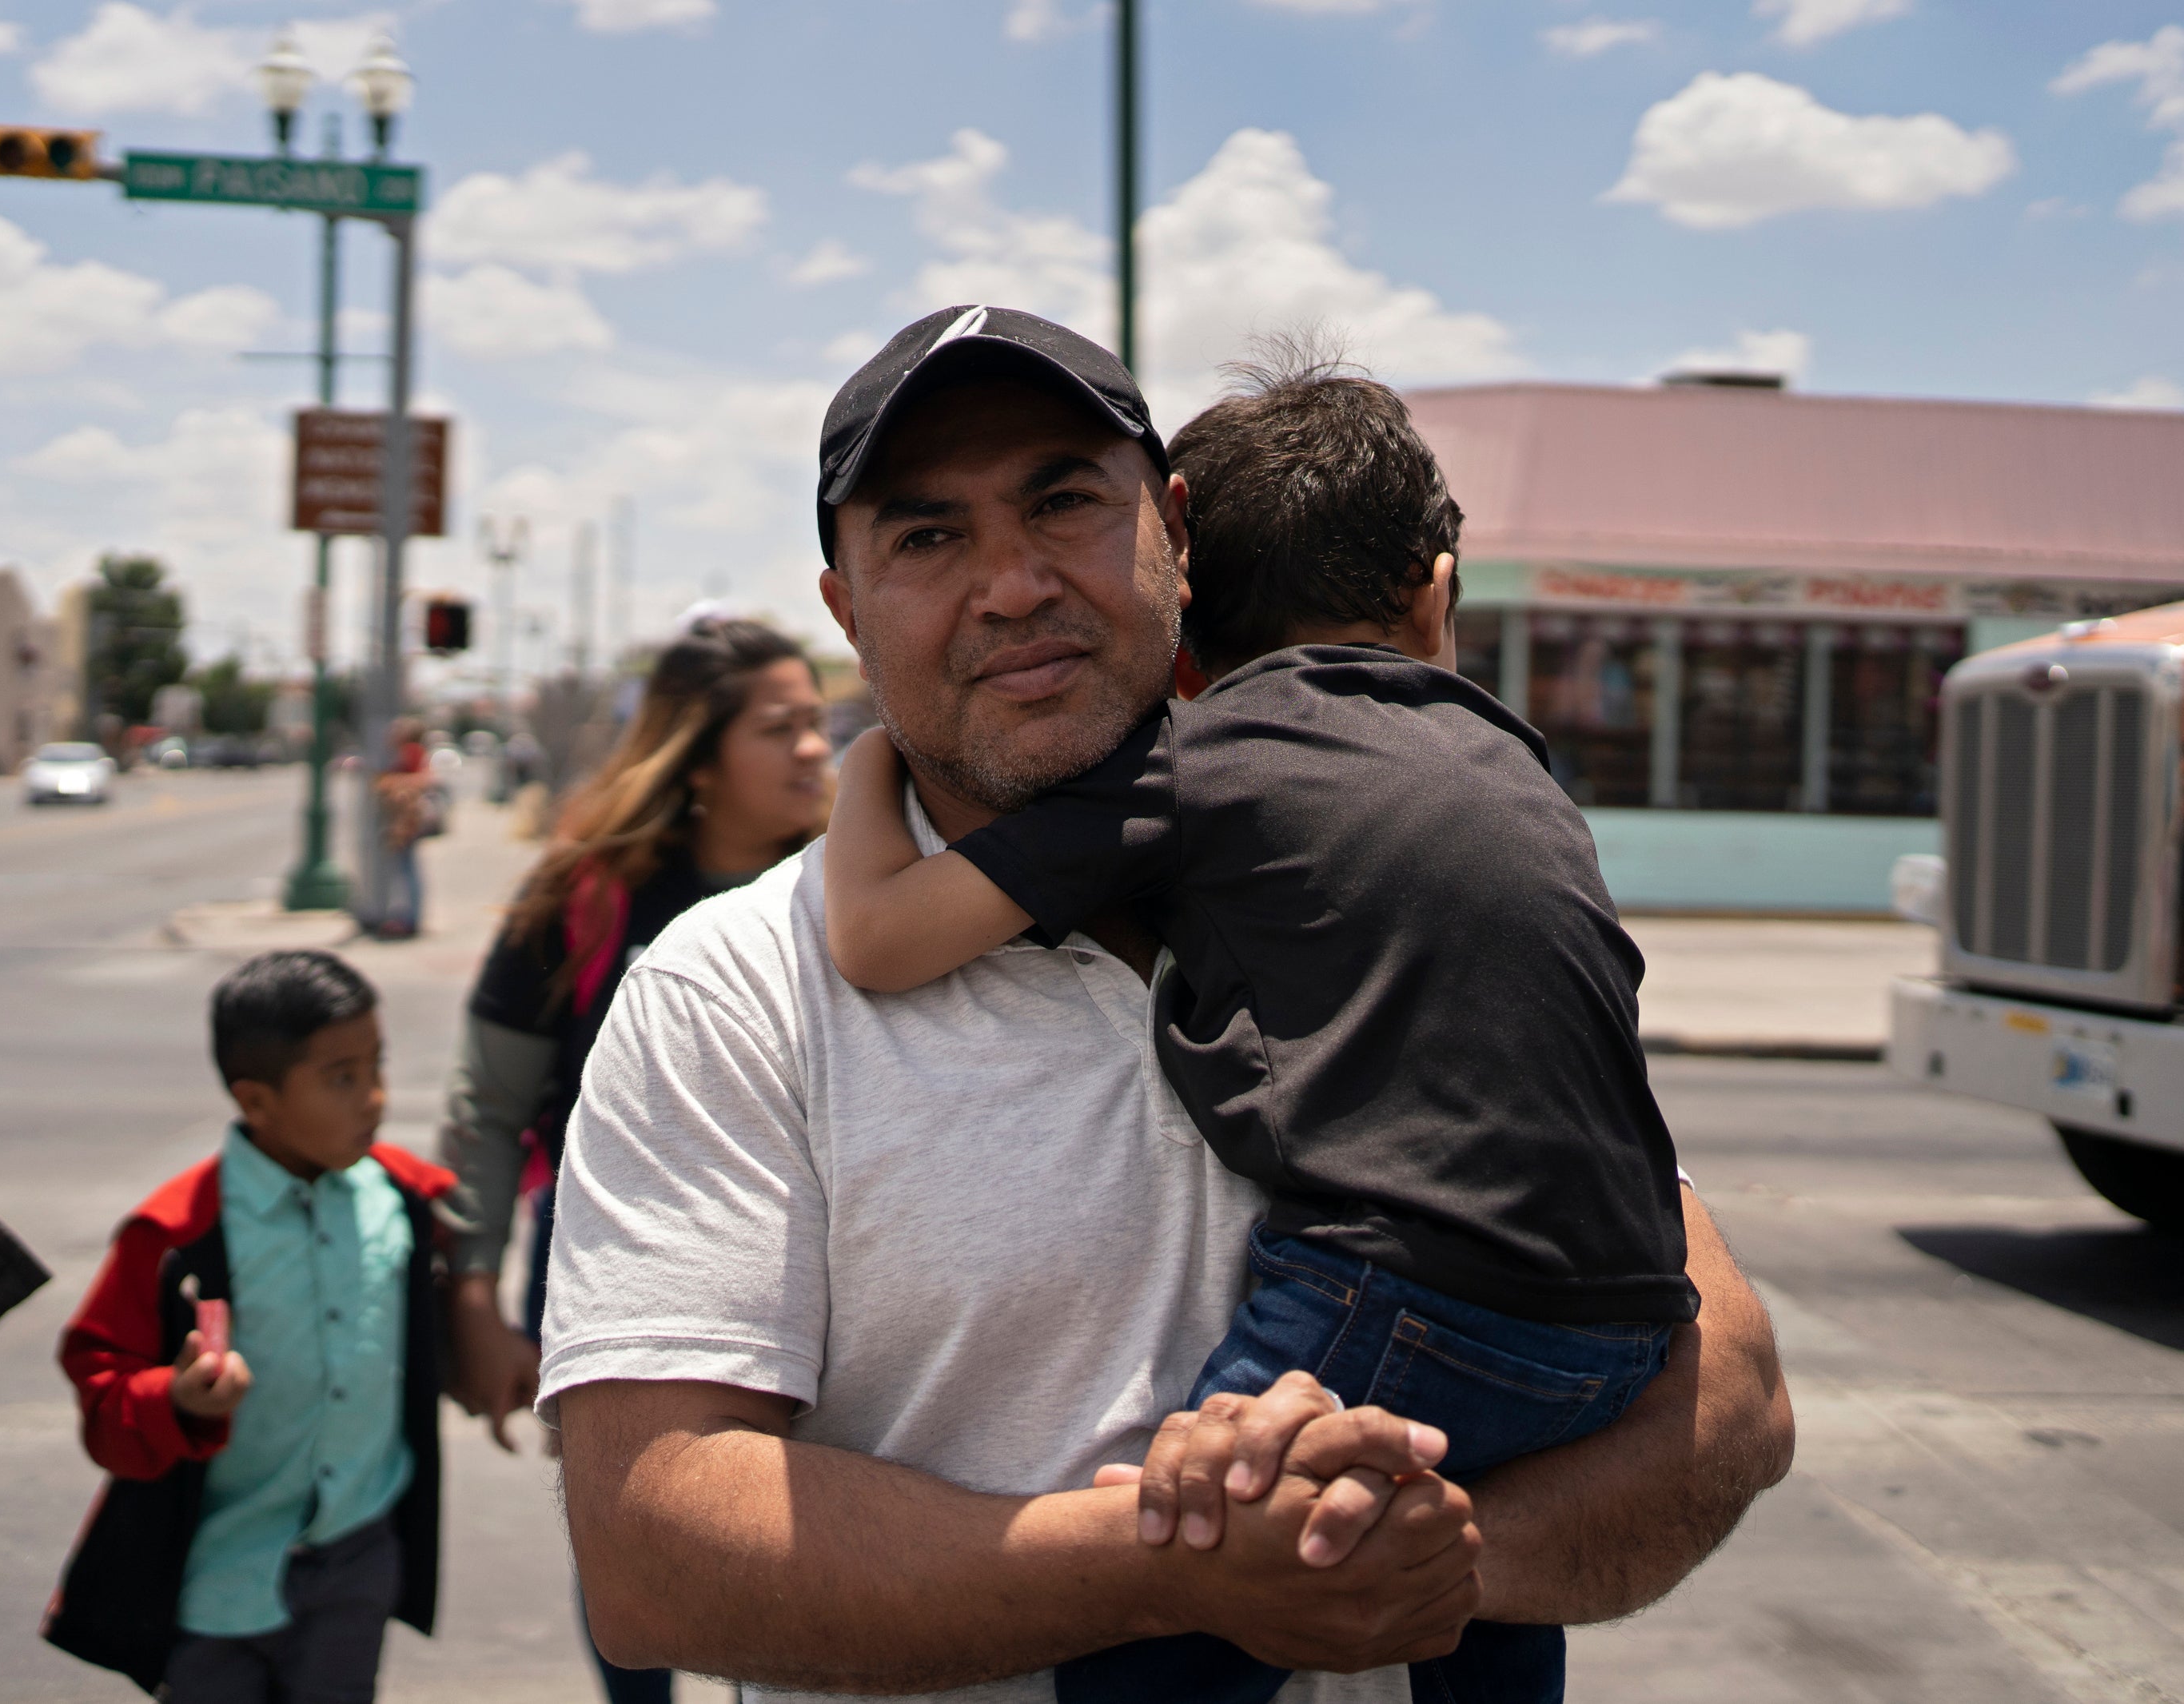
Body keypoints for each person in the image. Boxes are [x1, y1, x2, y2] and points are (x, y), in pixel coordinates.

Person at [538, 306, 1794, 1704]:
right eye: (927, 536)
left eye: (1065, 501)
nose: (1012, 586)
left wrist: (1436, 1562)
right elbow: (653, 1549)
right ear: (845, 604)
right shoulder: (732, 995)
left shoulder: (1388, 874)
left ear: (1175, 530)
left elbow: (1730, 1395)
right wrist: (1175, 1570)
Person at [826, 349, 1688, 1704]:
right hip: (1629, 1325)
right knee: (1454, 1578)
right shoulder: (1515, 763)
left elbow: (876, 939)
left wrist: (869, 755)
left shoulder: (1201, 767)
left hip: (1404, 1299)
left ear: (1183, 624)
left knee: (1181, 1584)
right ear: (1437, 598)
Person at [436, 617, 833, 1704]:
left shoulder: (863, 883)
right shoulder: (580, 897)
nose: (814, 749)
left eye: (817, 725)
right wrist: (470, 1295)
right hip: (608, 1266)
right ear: (699, 757)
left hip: (820, 1265)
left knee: (807, 1534)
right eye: (781, 728)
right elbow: (486, 1109)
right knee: (634, 1539)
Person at [44, 950, 456, 1702]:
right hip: (218, 1577)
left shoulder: (402, 1200)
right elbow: (100, 1388)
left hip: (357, 1560)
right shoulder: (174, 1236)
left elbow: (461, 1271)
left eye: (377, 1066)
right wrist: (176, 1399)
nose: (375, 1097)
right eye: (342, 1077)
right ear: (256, 1101)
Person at [373, 719, 434, 939]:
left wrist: (390, 781)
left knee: (407, 869)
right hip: (404, 819)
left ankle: (410, 919)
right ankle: (406, 916)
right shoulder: (404, 751)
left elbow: (426, 778)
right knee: (404, 868)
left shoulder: (412, 751)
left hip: (406, 819)